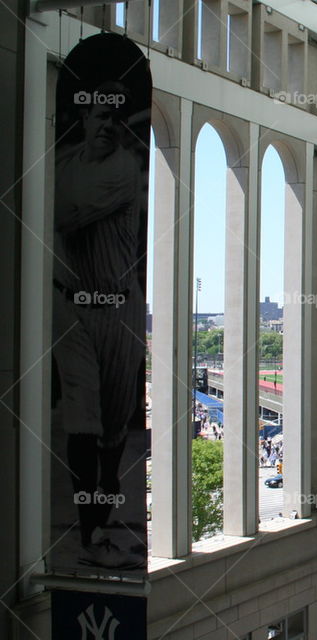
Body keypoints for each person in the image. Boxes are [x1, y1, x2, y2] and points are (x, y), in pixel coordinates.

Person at [53, 77, 147, 571]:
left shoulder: (125, 169)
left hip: (119, 309)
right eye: (99, 115)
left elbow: (65, 215)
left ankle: (103, 508)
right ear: (86, 121)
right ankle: (89, 533)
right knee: (83, 422)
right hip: (73, 309)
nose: (107, 124)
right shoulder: (66, 166)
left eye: (115, 116)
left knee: (112, 432)